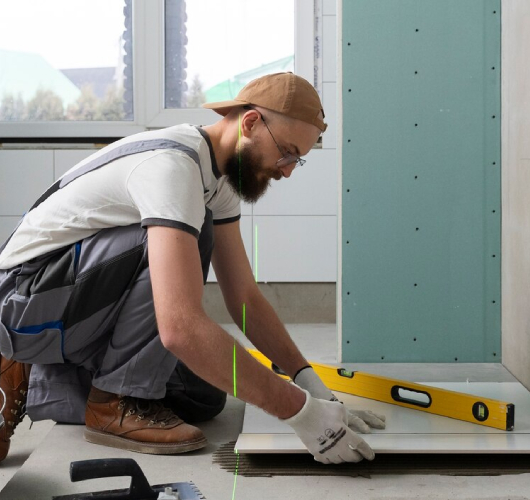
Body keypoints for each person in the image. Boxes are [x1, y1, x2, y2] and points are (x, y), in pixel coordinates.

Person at [0, 72, 385, 464]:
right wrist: (299, 413)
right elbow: (180, 328)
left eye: (296, 160)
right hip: (23, 299)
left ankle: (31, 380)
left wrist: (317, 393)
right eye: (286, 152)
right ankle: (113, 405)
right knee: (192, 241)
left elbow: (245, 299)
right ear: (251, 122)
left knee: (203, 393)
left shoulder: (217, 180)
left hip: (72, 305)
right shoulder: (173, 166)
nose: (286, 170)